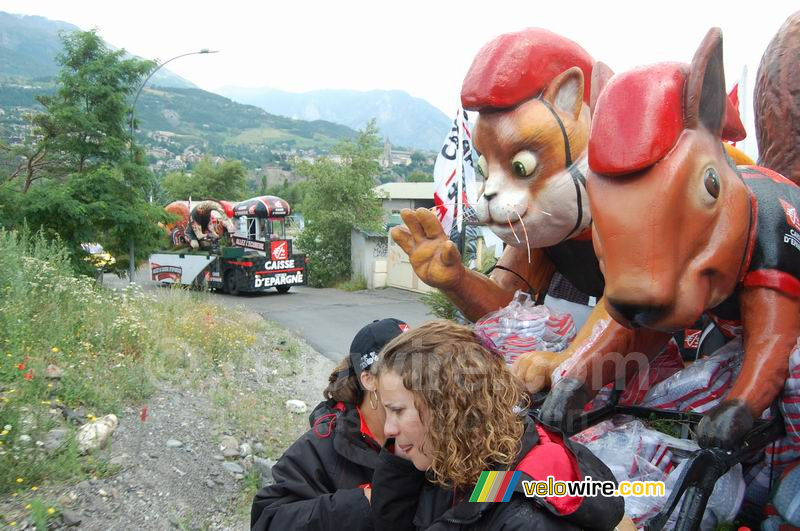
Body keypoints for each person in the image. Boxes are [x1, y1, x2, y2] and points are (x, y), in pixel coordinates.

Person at [370, 320, 625, 530]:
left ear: (449, 407)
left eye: (398, 411)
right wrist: (401, 463)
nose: (388, 430)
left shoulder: (523, 515)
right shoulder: (460, 456)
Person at [250, 318, 409, 531]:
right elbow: (267, 520)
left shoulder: (430, 432)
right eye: (404, 368)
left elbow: (467, 497)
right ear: (369, 380)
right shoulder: (322, 444)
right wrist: (363, 504)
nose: (420, 380)